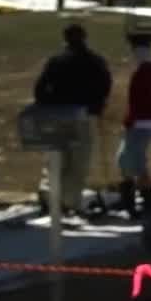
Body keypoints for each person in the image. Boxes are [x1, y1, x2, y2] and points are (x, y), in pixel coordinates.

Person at [33, 23, 112, 216]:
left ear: (65, 39)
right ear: (84, 38)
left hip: (58, 115)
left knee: (56, 158)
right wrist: (98, 105)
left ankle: (48, 194)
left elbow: (40, 88)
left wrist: (46, 105)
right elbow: (105, 85)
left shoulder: (56, 61)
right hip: (83, 115)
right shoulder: (95, 61)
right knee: (78, 162)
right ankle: (68, 201)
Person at [116, 35, 151, 219]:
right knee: (124, 160)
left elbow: (148, 101)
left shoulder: (150, 72)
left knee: (135, 162)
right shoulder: (144, 71)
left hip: (143, 122)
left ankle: (148, 201)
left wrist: (135, 119)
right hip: (137, 121)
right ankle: (129, 198)